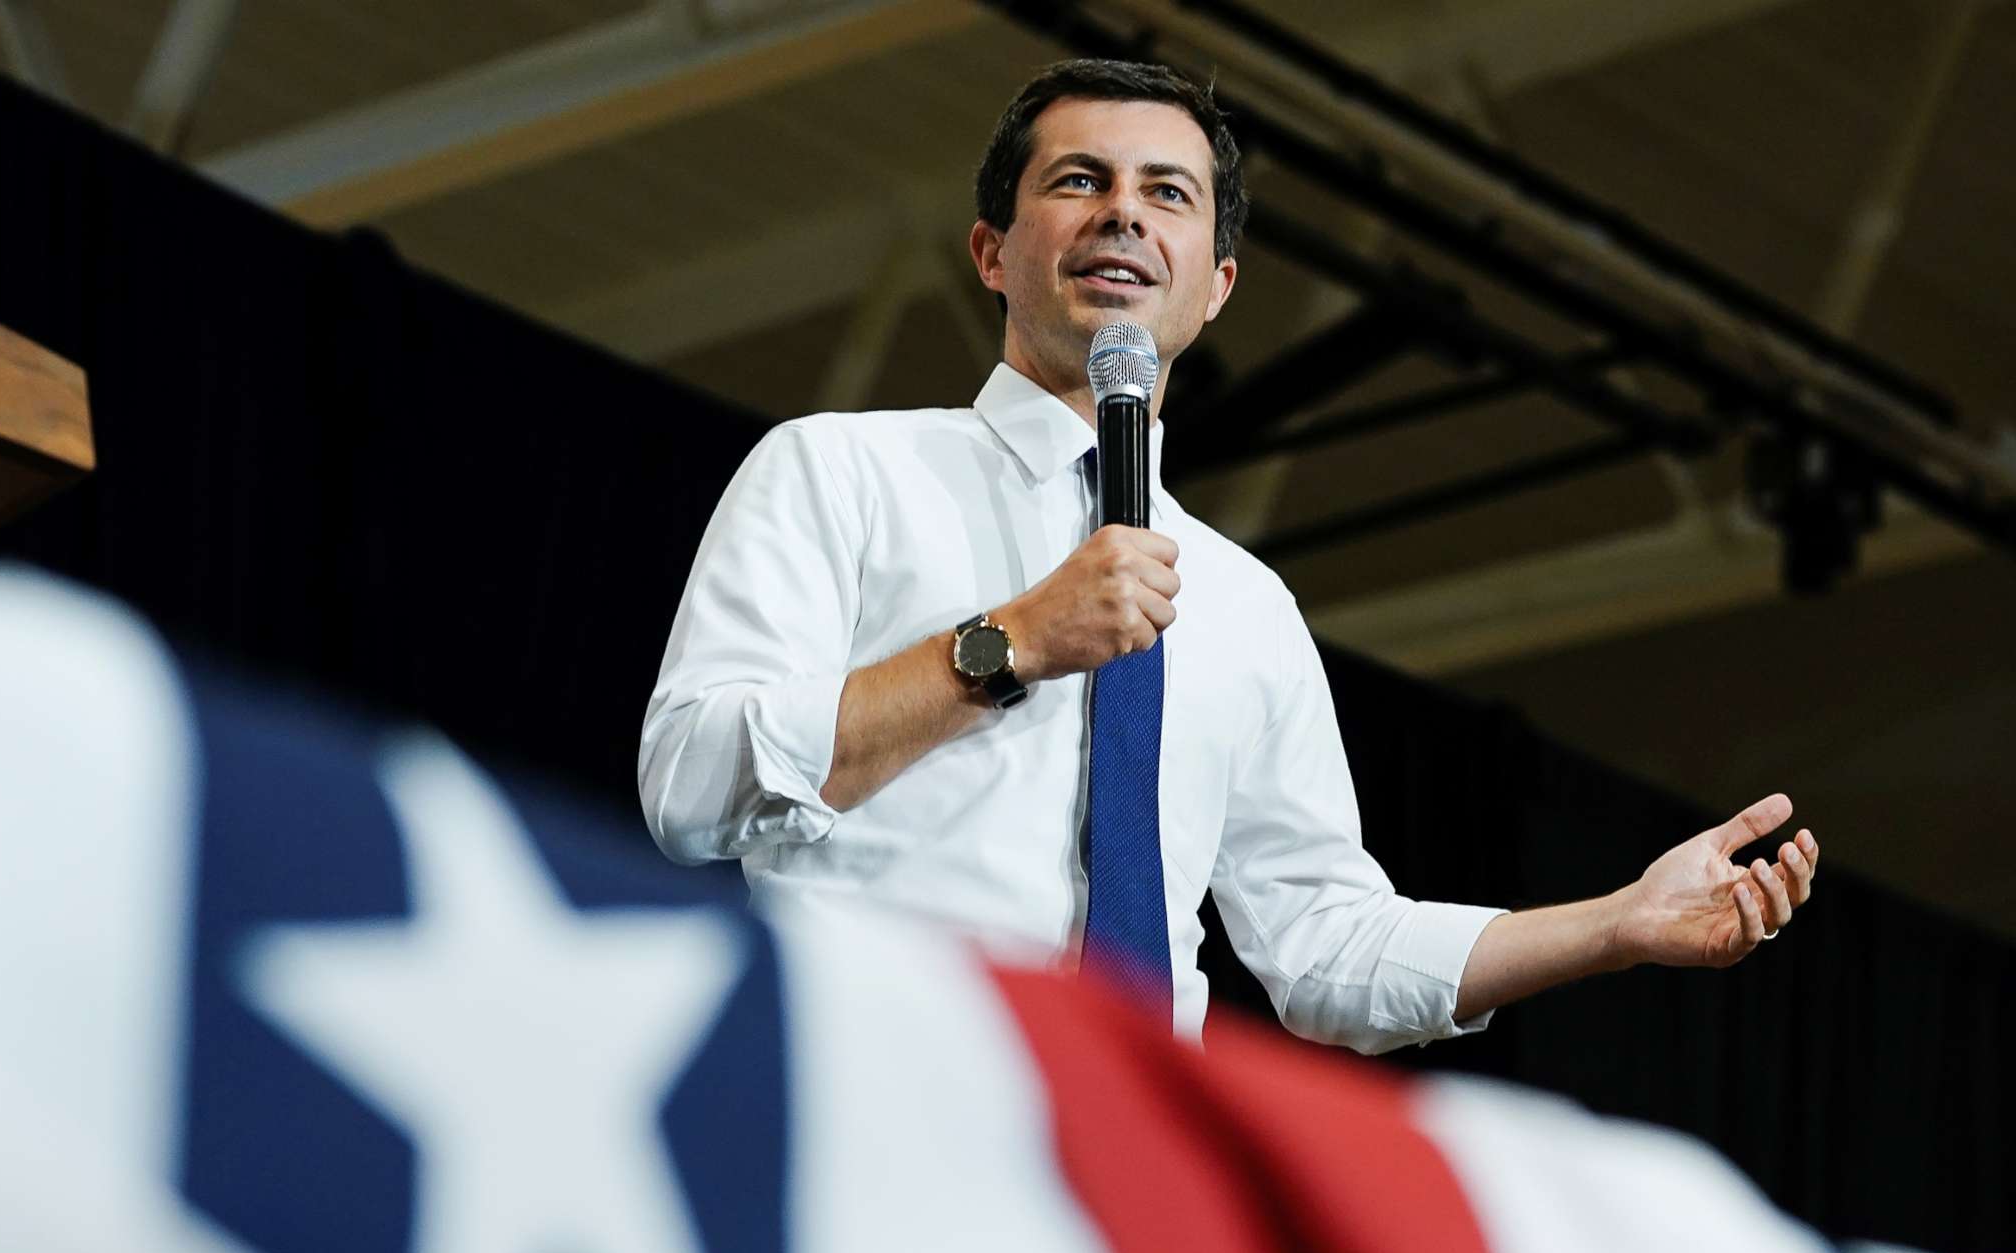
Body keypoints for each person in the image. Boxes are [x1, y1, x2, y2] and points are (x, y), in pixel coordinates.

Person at [640, 58, 1817, 1054]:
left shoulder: (1247, 607)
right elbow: (691, 785)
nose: (1124, 214)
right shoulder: (840, 474)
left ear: (1215, 288)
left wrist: (1615, 923)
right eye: (1079, 181)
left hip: (1135, 1185)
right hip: (871, 1097)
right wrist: (1010, 646)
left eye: (1168, 193)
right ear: (992, 253)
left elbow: (1327, 945)